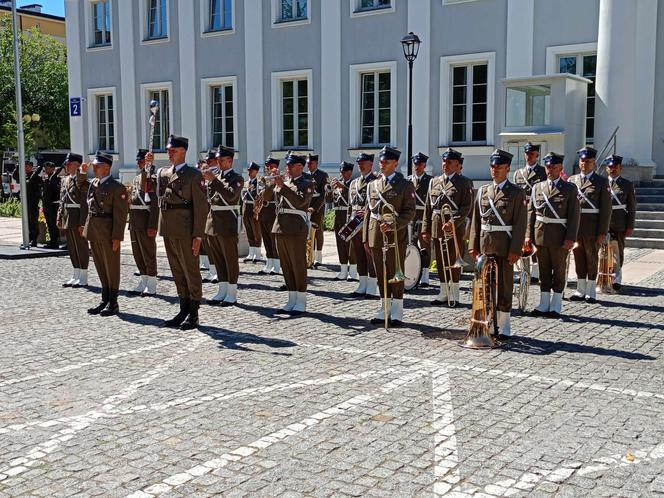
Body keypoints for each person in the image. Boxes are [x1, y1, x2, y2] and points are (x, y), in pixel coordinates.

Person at [150, 135, 208, 330]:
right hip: (168, 228)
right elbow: (149, 187)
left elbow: (201, 208)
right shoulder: (164, 173)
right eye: (168, 150)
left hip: (185, 229)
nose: (169, 153)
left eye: (173, 150)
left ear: (183, 152)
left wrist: (198, 236)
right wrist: (147, 167)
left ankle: (194, 312)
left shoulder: (194, 175)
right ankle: (183, 308)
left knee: (190, 270)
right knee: (176, 270)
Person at [469, 150, 527, 339]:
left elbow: (520, 224)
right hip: (486, 246)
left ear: (507, 168)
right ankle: (488, 321)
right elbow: (476, 220)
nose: (495, 170)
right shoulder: (483, 191)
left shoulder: (516, 193)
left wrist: (515, 249)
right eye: (493, 167)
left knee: (504, 286)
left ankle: (504, 324)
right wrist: (473, 244)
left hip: (505, 246)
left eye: (499, 167)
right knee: (485, 287)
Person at [363, 146, 416, 326]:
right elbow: (368, 213)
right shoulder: (372, 185)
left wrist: (394, 224)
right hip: (375, 235)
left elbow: (409, 212)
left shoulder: (405, 185)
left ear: (395, 163)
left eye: (386, 161)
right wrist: (365, 238)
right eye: (381, 161)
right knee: (381, 274)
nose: (382, 164)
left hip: (395, 235)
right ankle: (383, 308)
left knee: (395, 273)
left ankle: (397, 311)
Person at [527, 152, 580, 318]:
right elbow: (531, 213)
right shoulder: (537, 187)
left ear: (560, 168)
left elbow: (574, 216)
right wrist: (529, 235)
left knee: (558, 270)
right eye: (548, 166)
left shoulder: (570, 188)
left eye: (554, 167)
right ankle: (543, 303)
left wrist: (570, 238)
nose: (550, 170)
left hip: (559, 236)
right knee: (543, 270)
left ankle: (556, 304)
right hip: (540, 235)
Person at [421, 148, 473, 305]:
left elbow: (466, 207)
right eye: (444, 161)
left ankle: (455, 294)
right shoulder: (434, 182)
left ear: (457, 164)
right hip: (437, 225)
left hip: (454, 227)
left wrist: (453, 222)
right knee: (441, 260)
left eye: (449, 162)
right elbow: (428, 208)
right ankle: (443, 292)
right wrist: (425, 228)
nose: (445, 164)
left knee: (453, 260)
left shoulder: (464, 182)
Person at [264, 153, 314, 313]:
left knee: (297, 264)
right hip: (280, 227)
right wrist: (272, 184)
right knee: (286, 265)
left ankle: (301, 300)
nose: (287, 169)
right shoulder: (283, 182)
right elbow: (265, 199)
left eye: (290, 166)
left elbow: (300, 202)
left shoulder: (307, 183)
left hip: (295, 227)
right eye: (287, 166)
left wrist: (282, 186)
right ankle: (291, 298)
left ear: (300, 167)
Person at [83, 152, 129, 316]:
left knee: (111, 267)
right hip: (94, 231)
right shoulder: (93, 183)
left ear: (107, 167)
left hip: (108, 232)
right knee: (100, 266)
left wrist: (117, 237)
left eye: (97, 166)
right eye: (94, 165)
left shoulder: (117, 188)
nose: (94, 168)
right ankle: (105, 299)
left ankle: (113, 302)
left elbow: (120, 215)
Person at [568, 146, 612, 304]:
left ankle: (591, 290)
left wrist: (602, 231)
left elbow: (606, 210)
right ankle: (580, 289)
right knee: (578, 258)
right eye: (582, 161)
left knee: (592, 258)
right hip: (575, 228)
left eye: (588, 161)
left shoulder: (601, 181)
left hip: (592, 228)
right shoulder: (572, 181)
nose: (584, 164)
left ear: (594, 163)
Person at [203, 145, 244, 306]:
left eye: (221, 160)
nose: (217, 163)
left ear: (230, 161)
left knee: (230, 258)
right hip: (213, 222)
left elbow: (231, 195)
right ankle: (222, 289)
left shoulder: (237, 178)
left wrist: (214, 180)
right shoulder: (215, 176)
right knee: (218, 258)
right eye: (217, 160)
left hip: (227, 222)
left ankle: (232, 292)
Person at [512, 142, 547, 281]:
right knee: (521, 240)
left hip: (536, 210)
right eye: (527, 153)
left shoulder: (543, 172)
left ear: (537, 155)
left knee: (534, 239)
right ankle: (523, 271)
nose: (528, 156)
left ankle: (536, 272)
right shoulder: (518, 173)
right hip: (522, 210)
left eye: (532, 154)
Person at [57, 153, 90, 288]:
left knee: (81, 246)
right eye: (66, 164)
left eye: (69, 164)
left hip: (78, 217)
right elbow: (62, 200)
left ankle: (83, 276)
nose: (66, 166)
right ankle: (76, 273)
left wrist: (83, 223)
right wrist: (59, 216)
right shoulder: (64, 180)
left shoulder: (83, 182)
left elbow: (84, 204)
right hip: (68, 216)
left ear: (77, 166)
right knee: (71, 247)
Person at [128, 149, 159, 296]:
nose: (140, 164)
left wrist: (153, 225)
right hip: (135, 220)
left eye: (142, 162)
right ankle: (144, 279)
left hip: (145, 221)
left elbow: (154, 204)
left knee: (148, 253)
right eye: (139, 162)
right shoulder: (136, 178)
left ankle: (151, 282)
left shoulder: (151, 178)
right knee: (137, 253)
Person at [349, 153, 379, 299]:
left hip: (369, 222)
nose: (360, 165)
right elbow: (351, 205)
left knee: (370, 254)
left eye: (363, 163)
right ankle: (362, 283)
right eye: (359, 162)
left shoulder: (376, 181)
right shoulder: (354, 183)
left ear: (371, 164)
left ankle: (372, 286)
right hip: (355, 222)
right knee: (358, 253)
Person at [604, 154, 636, 291]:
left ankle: (617, 278)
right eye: (610, 167)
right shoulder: (601, 183)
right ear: (606, 168)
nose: (613, 169)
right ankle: (603, 277)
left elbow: (632, 207)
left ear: (620, 168)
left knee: (618, 252)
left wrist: (630, 225)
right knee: (602, 253)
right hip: (603, 223)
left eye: (615, 167)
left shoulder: (627, 184)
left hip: (619, 223)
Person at [326, 161, 355, 280]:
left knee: (350, 245)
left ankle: (353, 271)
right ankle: (343, 270)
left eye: (344, 172)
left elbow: (355, 196)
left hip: (348, 216)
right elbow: (329, 201)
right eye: (341, 172)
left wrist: (342, 187)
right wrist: (328, 189)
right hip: (338, 217)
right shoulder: (337, 186)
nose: (342, 174)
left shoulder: (354, 184)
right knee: (340, 244)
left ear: (350, 172)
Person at [408, 153, 433, 287]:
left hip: (423, 215)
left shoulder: (430, 181)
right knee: (410, 245)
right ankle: (412, 273)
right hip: (410, 217)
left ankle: (425, 274)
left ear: (424, 165)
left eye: (419, 164)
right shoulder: (407, 181)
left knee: (425, 246)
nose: (417, 167)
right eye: (415, 164)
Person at [258, 157, 281, 275]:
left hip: (273, 212)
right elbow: (260, 195)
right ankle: (269, 263)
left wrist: (272, 183)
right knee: (266, 239)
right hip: (263, 212)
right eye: (267, 165)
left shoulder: (280, 179)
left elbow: (269, 195)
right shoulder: (264, 179)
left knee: (273, 240)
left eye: (270, 165)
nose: (268, 168)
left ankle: (276, 265)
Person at [305, 153, 329, 267]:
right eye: (307, 163)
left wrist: (314, 208)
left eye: (311, 163)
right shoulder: (305, 175)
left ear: (316, 163)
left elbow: (324, 195)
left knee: (317, 232)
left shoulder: (323, 175)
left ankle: (318, 257)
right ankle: (310, 256)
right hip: (306, 207)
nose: (308, 165)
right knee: (307, 233)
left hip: (317, 207)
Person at [200, 150, 217, 283]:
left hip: (215, 213)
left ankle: (218, 271)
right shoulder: (204, 175)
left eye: (210, 161)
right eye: (207, 161)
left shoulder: (216, 174)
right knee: (207, 243)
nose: (208, 163)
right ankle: (212, 270)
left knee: (215, 245)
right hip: (205, 212)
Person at [242, 162, 263, 263]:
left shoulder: (258, 183)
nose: (249, 172)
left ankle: (258, 254)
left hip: (253, 208)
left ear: (256, 172)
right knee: (249, 231)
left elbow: (259, 197)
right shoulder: (246, 183)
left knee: (256, 231)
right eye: (249, 170)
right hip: (246, 208)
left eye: (251, 170)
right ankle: (251, 252)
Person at [42, 161, 62, 249]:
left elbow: (57, 191)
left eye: (48, 168)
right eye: (45, 168)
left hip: (53, 205)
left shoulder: (57, 179)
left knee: (54, 225)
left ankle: (55, 242)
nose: (46, 169)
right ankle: (52, 241)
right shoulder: (46, 179)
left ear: (53, 169)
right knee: (49, 225)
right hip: (46, 205)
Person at [25, 161, 43, 247]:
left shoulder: (37, 177)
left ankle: (34, 239)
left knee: (33, 221)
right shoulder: (23, 176)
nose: (26, 168)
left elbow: (39, 190)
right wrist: (17, 167)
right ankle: (28, 238)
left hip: (33, 203)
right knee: (27, 221)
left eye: (28, 166)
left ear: (32, 167)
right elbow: (15, 176)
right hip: (26, 203)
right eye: (25, 166)